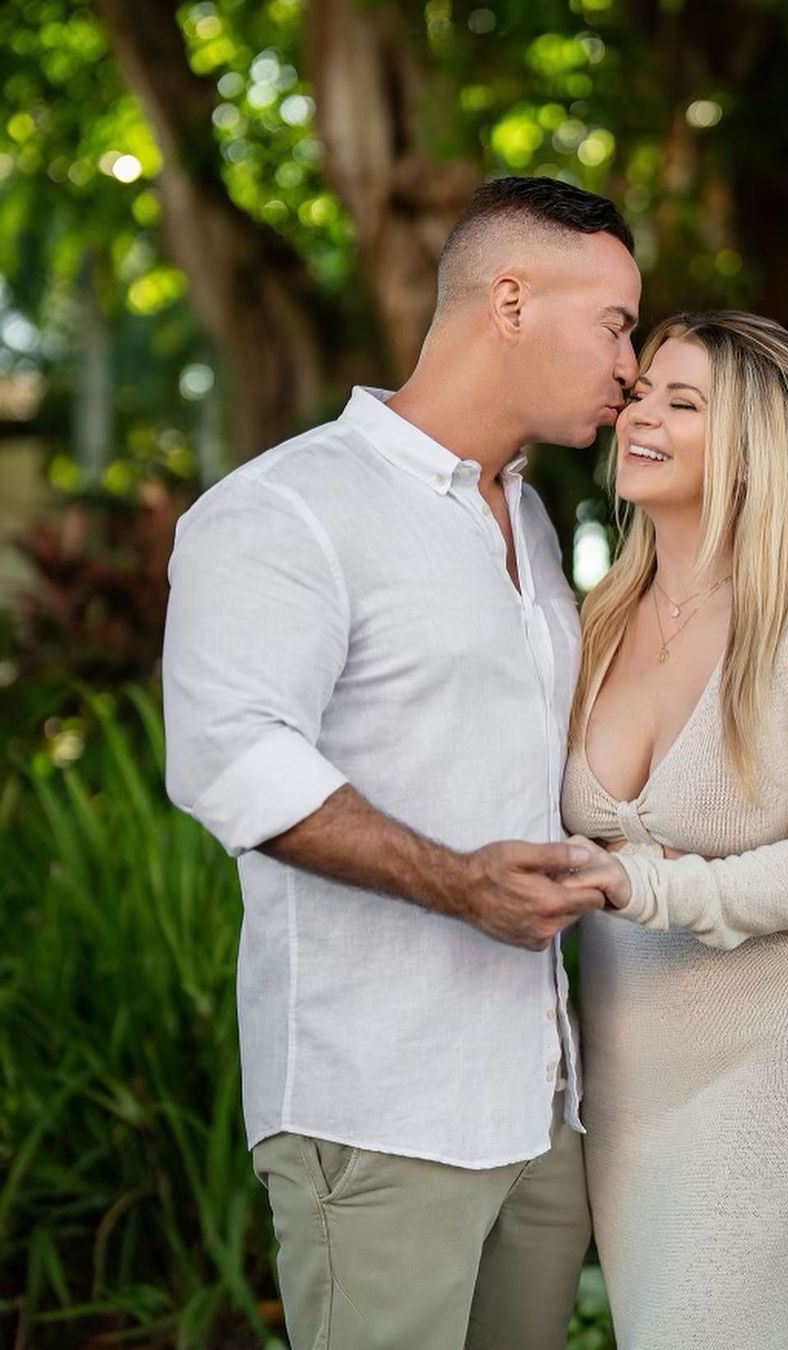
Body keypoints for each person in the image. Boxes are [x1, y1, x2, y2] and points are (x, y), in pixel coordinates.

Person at [161, 176, 641, 1350]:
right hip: (379, 1109)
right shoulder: (286, 509)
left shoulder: (530, 520)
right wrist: (456, 882)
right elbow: (230, 757)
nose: (630, 369)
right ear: (511, 301)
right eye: (617, 326)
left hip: (540, 1102)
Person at [559, 311, 788, 1349]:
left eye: (682, 402)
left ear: (750, 448)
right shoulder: (593, 620)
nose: (640, 414)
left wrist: (648, 884)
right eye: (640, 393)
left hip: (770, 1053)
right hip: (623, 1067)